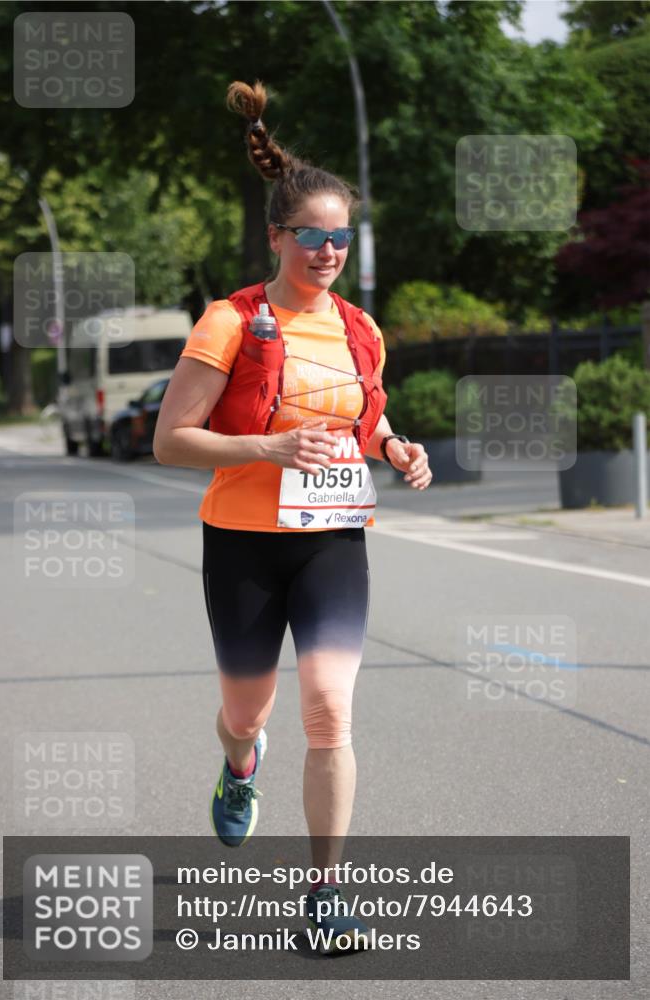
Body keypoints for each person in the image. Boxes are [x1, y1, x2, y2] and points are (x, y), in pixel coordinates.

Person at [153, 79, 432, 953]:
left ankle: (325, 891)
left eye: (339, 237)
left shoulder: (359, 328)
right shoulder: (230, 321)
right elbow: (171, 440)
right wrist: (265, 449)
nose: (327, 251)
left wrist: (395, 446)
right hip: (242, 542)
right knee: (247, 714)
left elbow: (362, 418)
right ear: (276, 236)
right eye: (311, 236)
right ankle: (240, 765)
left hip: (331, 540)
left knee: (328, 710)